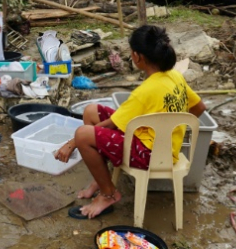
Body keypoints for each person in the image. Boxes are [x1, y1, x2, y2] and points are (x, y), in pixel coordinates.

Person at [55, 25, 206, 219]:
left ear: (137, 56)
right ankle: (101, 181)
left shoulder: (145, 91)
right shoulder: (175, 76)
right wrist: (176, 126)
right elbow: (199, 107)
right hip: (158, 144)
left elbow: (111, 124)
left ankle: (108, 194)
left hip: (150, 154)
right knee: (91, 111)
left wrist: (71, 143)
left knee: (83, 135)